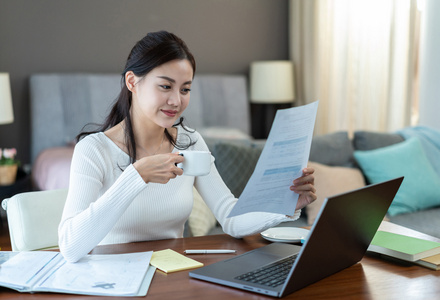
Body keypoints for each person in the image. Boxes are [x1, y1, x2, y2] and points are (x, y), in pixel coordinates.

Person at [58, 31, 316, 263]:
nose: (176, 101)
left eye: (185, 89)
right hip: (113, 282)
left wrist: (285, 205)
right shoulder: (94, 150)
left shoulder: (189, 141)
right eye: (165, 86)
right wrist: (136, 176)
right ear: (132, 82)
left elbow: (229, 216)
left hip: (173, 277)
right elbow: (70, 246)